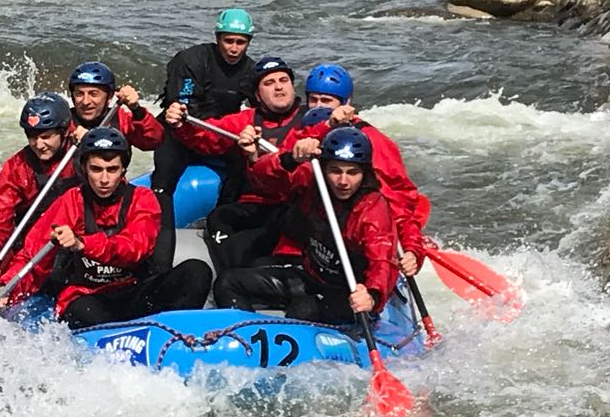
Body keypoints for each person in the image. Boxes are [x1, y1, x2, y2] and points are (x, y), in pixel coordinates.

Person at [0, 127, 213, 329]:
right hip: (89, 297)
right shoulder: (71, 201)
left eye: (112, 169)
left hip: (134, 290)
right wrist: (4, 289)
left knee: (197, 271)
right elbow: (33, 255)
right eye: (96, 169)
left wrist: (82, 244)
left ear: (123, 170)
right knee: (83, 311)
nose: (104, 179)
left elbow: (135, 249)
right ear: (84, 168)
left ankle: (173, 334)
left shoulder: (143, 199)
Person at [212, 127, 398, 330]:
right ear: (324, 169)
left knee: (303, 309)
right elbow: (262, 177)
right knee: (228, 282)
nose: (343, 181)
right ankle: (247, 336)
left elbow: (383, 261)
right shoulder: (314, 182)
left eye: (352, 172)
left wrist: (372, 295)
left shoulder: (372, 209)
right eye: (335, 171)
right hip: (311, 277)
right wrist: (290, 159)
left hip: (348, 293)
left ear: (364, 173)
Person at [178, 56, 333, 272]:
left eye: (283, 80)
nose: (278, 87)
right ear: (258, 95)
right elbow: (205, 136)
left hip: (293, 204)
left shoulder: (311, 120)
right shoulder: (246, 120)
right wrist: (181, 123)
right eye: (269, 83)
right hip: (257, 204)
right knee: (219, 218)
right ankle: (232, 273)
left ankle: (248, 273)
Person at [299, 62, 428, 277]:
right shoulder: (306, 128)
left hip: (356, 229)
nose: (319, 106)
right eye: (314, 99)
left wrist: (411, 246)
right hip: (316, 226)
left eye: (327, 100)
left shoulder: (371, 142)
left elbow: (397, 199)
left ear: (346, 103)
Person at [151, 9, 258, 215]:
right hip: (181, 131)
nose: (234, 49)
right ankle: (160, 222)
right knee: (164, 177)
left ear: (248, 42)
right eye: (228, 41)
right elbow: (181, 106)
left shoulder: (251, 71)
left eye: (241, 42)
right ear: (217, 38)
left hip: (220, 135)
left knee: (243, 171)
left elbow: (261, 113)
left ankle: (222, 220)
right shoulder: (191, 60)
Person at [0, 94, 78, 291]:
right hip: (30, 246)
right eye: (33, 137)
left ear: (64, 132)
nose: (39, 145)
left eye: (46, 137)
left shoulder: (84, 155)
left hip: (75, 242)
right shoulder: (17, 166)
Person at [66, 61, 165, 151]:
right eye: (79, 94)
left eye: (94, 94)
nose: (85, 101)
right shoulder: (64, 121)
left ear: (109, 96)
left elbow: (153, 141)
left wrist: (137, 110)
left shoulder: (120, 120)